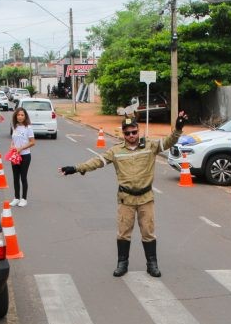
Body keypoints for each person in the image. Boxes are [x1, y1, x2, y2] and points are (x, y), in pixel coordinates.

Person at [59, 111, 187, 278]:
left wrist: (178, 128)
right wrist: (76, 168)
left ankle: (152, 264)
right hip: (125, 199)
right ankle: (122, 264)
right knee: (123, 232)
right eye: (127, 133)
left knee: (148, 231)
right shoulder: (116, 151)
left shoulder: (150, 146)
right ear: (123, 133)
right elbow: (97, 161)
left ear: (138, 130)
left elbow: (169, 142)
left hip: (145, 198)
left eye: (134, 131)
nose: (131, 135)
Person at [8, 107, 36, 207]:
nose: (20, 117)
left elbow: (33, 142)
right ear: (16, 116)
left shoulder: (28, 128)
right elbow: (13, 140)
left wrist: (21, 148)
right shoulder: (14, 126)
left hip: (25, 156)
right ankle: (16, 198)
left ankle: (24, 199)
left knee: (23, 177)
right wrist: (12, 146)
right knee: (15, 177)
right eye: (18, 115)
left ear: (25, 116)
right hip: (15, 155)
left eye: (22, 115)